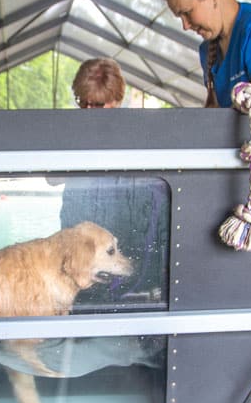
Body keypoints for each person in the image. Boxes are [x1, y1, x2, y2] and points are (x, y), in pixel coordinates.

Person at [56, 58, 169, 308]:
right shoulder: (72, 131)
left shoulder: (140, 136)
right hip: (78, 242)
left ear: (117, 99)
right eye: (81, 102)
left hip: (121, 241)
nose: (87, 110)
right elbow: (50, 178)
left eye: (96, 104)